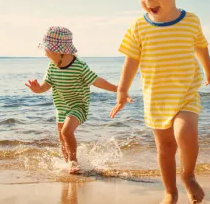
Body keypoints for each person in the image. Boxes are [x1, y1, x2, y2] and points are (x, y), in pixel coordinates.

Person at [109, 0, 210, 204]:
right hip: (156, 98)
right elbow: (131, 60)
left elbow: (200, 45)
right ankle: (170, 191)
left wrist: (208, 70)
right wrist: (122, 90)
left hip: (185, 94)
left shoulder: (190, 21)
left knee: (185, 133)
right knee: (165, 148)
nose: (148, 0)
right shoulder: (139, 26)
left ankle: (188, 175)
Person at [25, 26, 131, 174]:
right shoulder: (52, 67)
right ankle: (67, 163)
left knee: (67, 132)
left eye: (47, 50)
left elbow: (97, 81)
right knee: (62, 137)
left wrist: (118, 89)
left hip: (78, 106)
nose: (45, 53)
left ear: (60, 50)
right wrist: (37, 89)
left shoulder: (79, 66)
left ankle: (74, 162)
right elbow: (45, 86)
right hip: (61, 107)